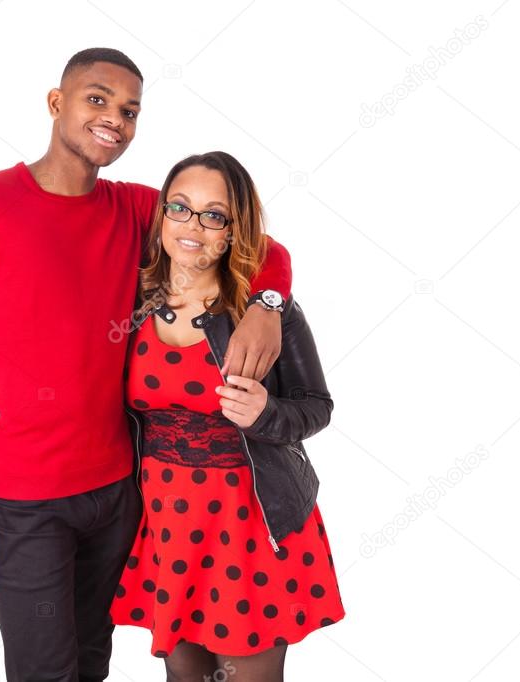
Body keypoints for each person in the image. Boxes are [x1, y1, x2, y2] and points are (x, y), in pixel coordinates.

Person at [0, 48, 293, 681]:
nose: (114, 120)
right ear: (55, 102)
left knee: (93, 665)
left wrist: (268, 303)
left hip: (122, 494)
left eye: (130, 110)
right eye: (98, 100)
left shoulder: (136, 210)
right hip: (27, 499)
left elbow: (263, 246)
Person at [106, 151, 346, 680]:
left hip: (250, 526)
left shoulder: (264, 309)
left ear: (234, 231)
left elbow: (316, 406)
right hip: (166, 526)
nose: (193, 226)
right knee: (184, 676)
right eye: (181, 208)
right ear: (162, 214)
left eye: (214, 215)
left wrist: (264, 415)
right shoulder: (132, 301)